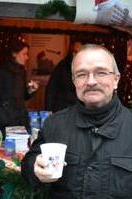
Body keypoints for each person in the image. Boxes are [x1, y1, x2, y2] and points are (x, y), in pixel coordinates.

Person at [21, 44, 132, 198]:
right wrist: (35, 168)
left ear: (116, 80)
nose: (91, 81)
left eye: (100, 73)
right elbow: (29, 162)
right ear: (74, 82)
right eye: (82, 74)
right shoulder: (55, 124)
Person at [0, 38, 39, 135]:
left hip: (20, 119)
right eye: (24, 54)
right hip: (4, 121)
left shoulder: (22, 71)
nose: (27, 57)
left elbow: (23, 96)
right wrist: (1, 116)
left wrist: (30, 90)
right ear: (14, 54)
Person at [45, 41, 82, 112]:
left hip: (78, 111)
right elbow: (51, 89)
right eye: (75, 51)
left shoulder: (88, 68)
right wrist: (48, 111)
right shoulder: (62, 66)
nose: (77, 55)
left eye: (80, 52)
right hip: (61, 109)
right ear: (71, 52)